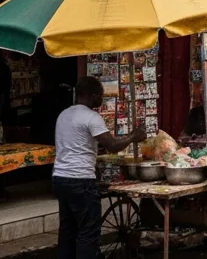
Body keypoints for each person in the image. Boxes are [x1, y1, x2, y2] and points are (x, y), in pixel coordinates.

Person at [53, 76, 146, 259]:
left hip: (60, 178)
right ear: (92, 95)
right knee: (88, 232)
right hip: (80, 180)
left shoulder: (63, 114)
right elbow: (112, 145)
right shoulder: (91, 117)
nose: (102, 100)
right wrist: (133, 136)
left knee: (68, 231)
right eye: (101, 96)